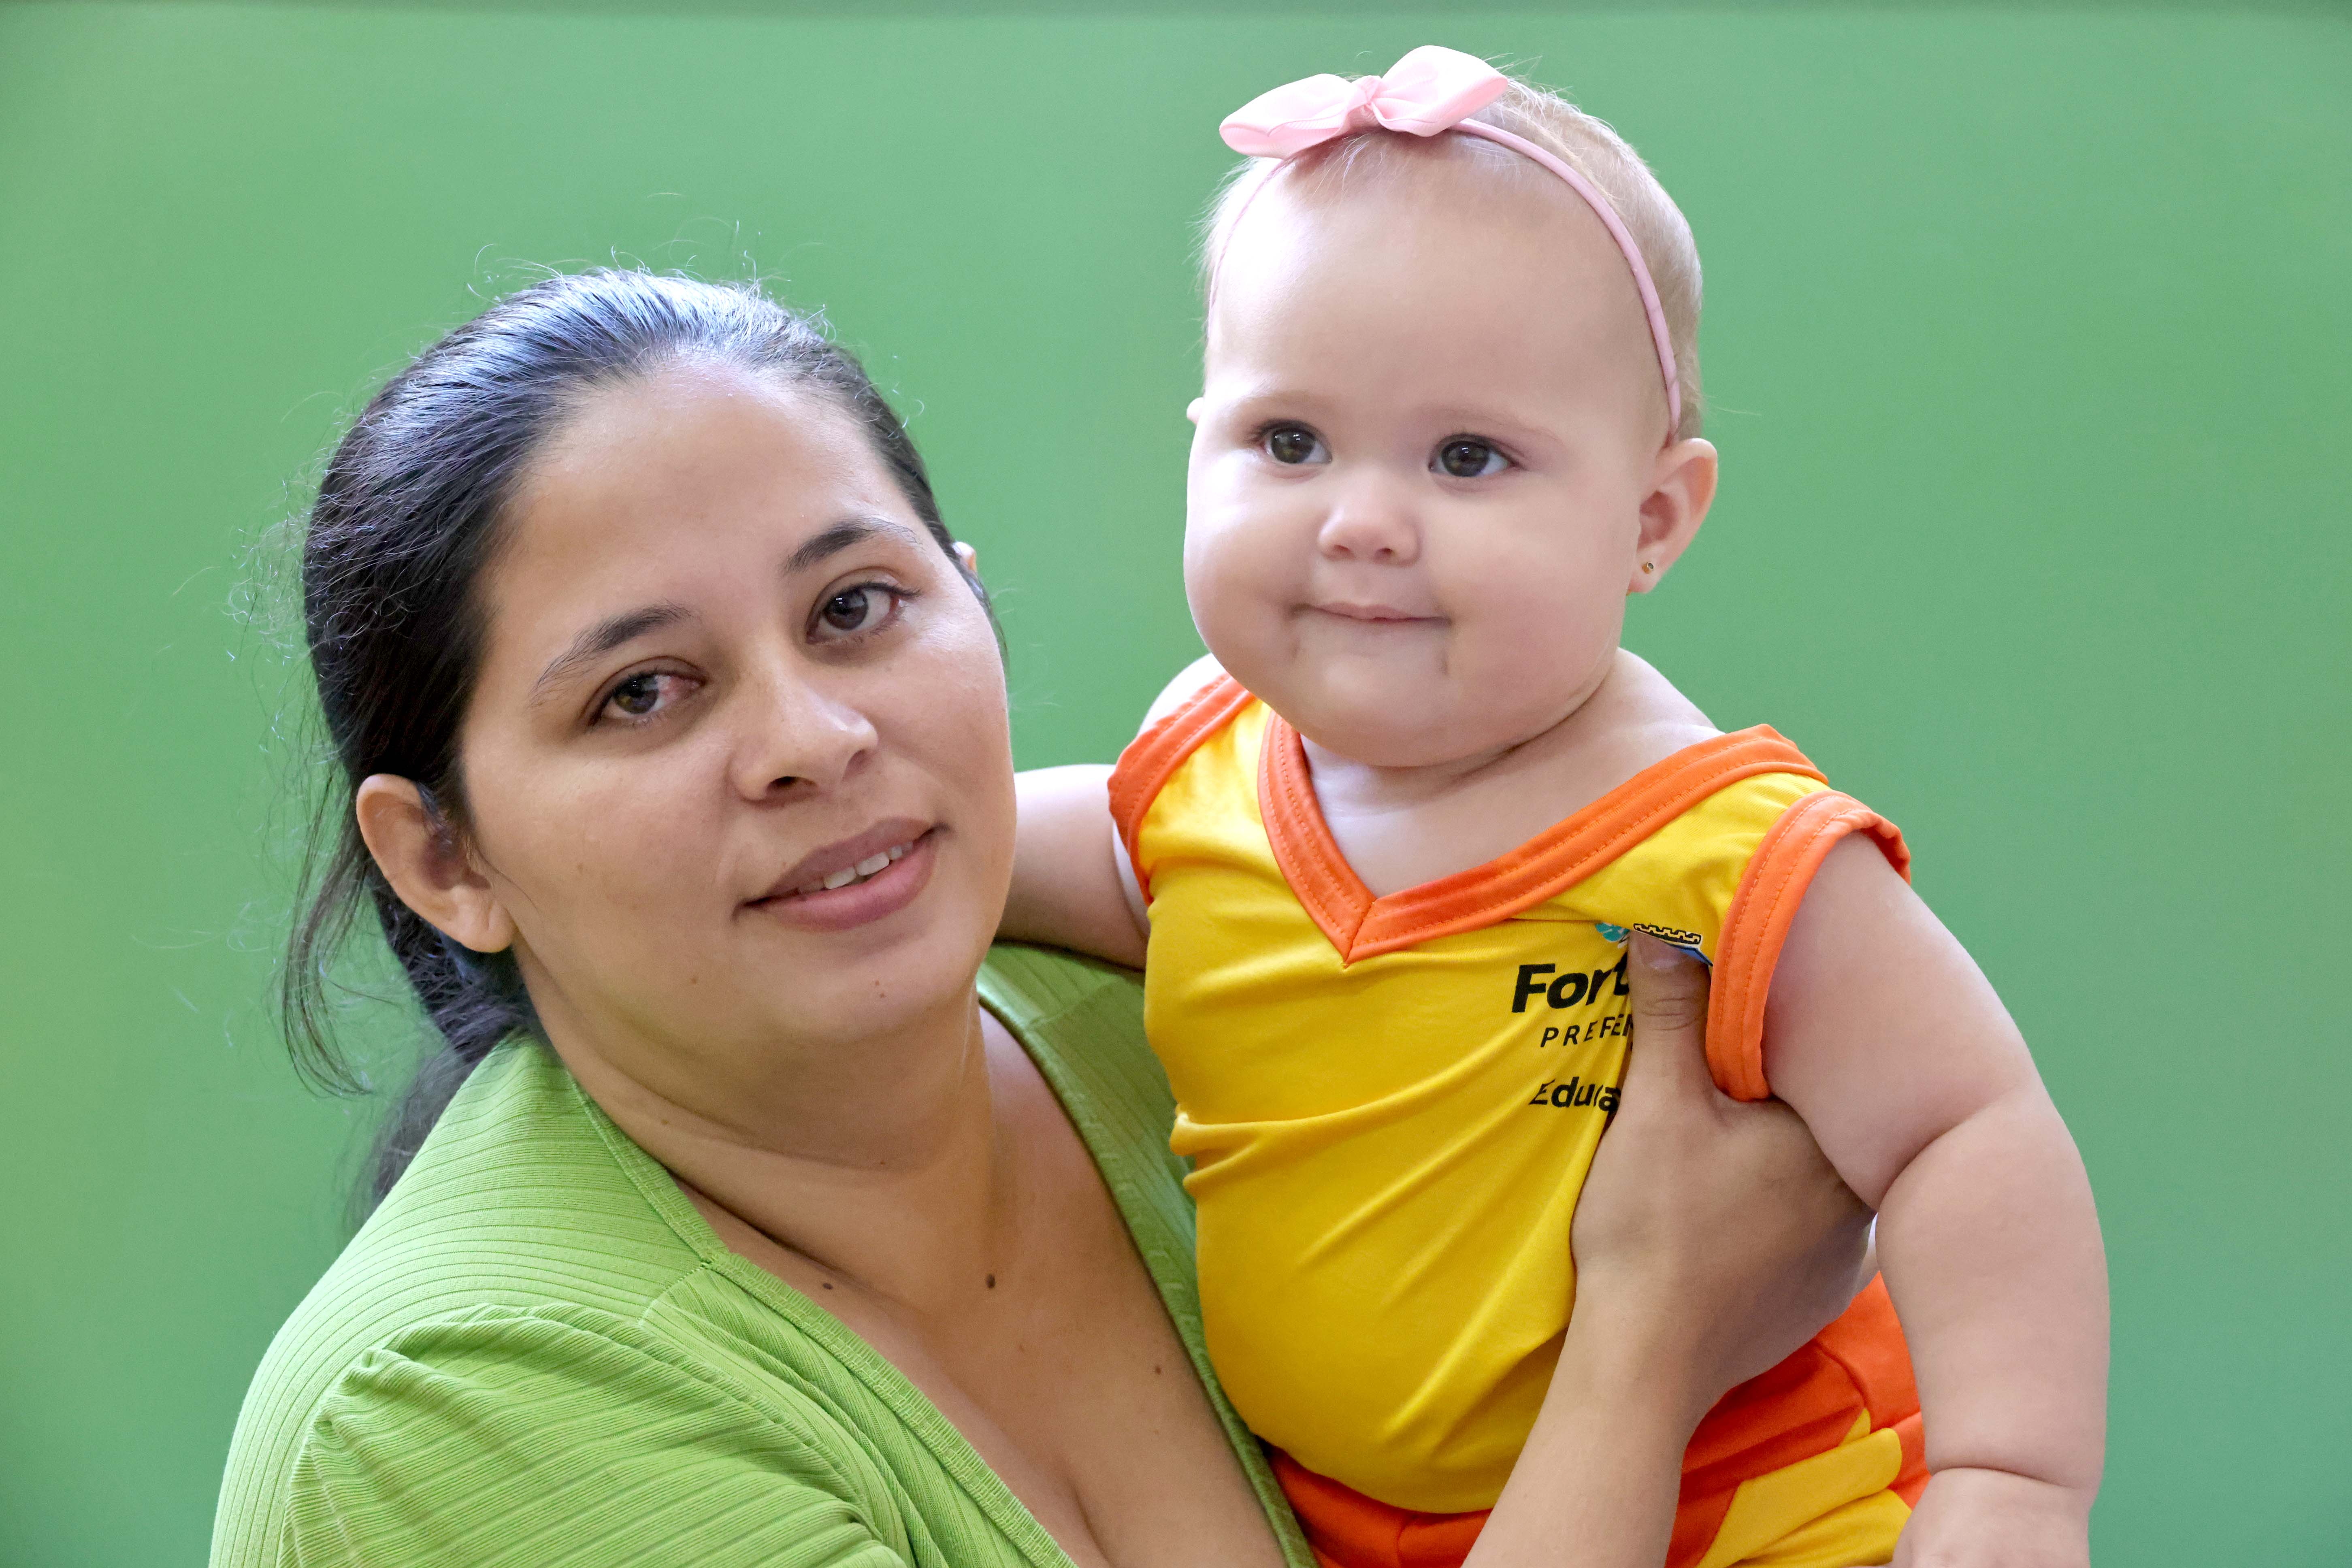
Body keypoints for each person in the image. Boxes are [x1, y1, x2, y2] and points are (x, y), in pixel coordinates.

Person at [213, 270, 1880, 1568]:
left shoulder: (1189, 1027)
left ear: (971, 595)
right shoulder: (456, 1408)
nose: (814, 738)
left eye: (859, 608)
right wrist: (1644, 1346)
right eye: (646, 692)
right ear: (445, 862)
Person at [1005, 46, 2108, 1568]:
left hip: (1754, 1512)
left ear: (1649, 520)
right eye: (1288, 441)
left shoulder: (1719, 850)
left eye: (1468, 458)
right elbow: (1107, 878)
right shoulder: (1206, 763)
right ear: (1196, 444)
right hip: (1349, 1521)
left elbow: (1965, 1129)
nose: (1362, 522)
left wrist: (2010, 1479)